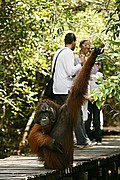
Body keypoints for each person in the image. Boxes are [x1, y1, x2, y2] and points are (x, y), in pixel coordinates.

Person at [52, 34, 93, 146]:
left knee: (63, 117)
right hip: (66, 89)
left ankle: (62, 141)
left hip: (57, 88)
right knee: (77, 113)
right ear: (74, 42)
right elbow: (71, 72)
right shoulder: (69, 53)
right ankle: (82, 140)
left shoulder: (58, 52)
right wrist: (81, 64)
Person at [74, 39, 96, 146]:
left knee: (84, 115)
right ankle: (78, 139)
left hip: (87, 88)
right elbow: (76, 75)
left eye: (89, 45)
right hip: (79, 89)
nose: (88, 47)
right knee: (78, 114)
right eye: (86, 45)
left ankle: (83, 138)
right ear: (81, 46)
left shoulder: (87, 59)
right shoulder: (77, 58)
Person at [85, 63, 103, 144]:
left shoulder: (99, 75)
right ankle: (88, 136)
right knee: (88, 119)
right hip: (89, 99)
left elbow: (102, 88)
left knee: (97, 119)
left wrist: (102, 100)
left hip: (97, 99)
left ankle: (98, 137)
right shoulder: (87, 75)